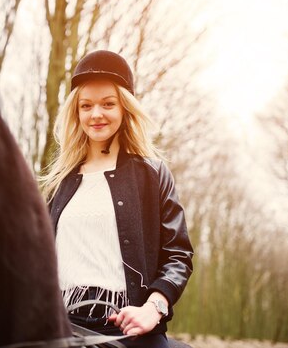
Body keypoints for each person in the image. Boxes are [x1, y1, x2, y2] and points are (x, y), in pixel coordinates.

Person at [41, 50, 194, 348]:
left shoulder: (153, 174)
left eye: (108, 104)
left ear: (125, 108)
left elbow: (178, 254)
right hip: (60, 328)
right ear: (76, 112)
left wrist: (154, 308)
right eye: (86, 106)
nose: (96, 114)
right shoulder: (57, 183)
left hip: (131, 331)